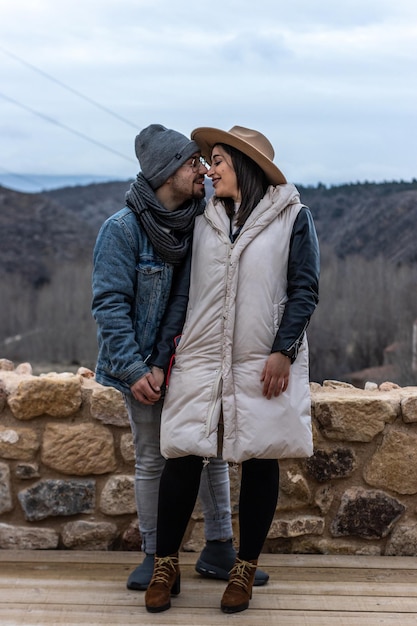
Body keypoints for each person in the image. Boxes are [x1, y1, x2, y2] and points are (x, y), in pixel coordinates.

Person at [144, 125, 320, 614]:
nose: (209, 168)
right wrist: (162, 360)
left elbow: (305, 289)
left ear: (243, 165)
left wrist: (283, 350)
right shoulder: (202, 218)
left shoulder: (293, 218)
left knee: (261, 458)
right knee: (181, 455)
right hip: (200, 356)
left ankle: (243, 569)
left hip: (262, 359)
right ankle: (166, 564)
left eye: (217, 160)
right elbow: (182, 295)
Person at [91, 124, 268, 592]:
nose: (204, 169)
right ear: (167, 171)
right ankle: (155, 556)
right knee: (152, 458)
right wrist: (132, 369)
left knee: (207, 453)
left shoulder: (202, 220)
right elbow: (109, 305)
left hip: (194, 362)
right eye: (194, 162)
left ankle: (219, 549)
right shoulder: (122, 230)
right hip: (142, 366)